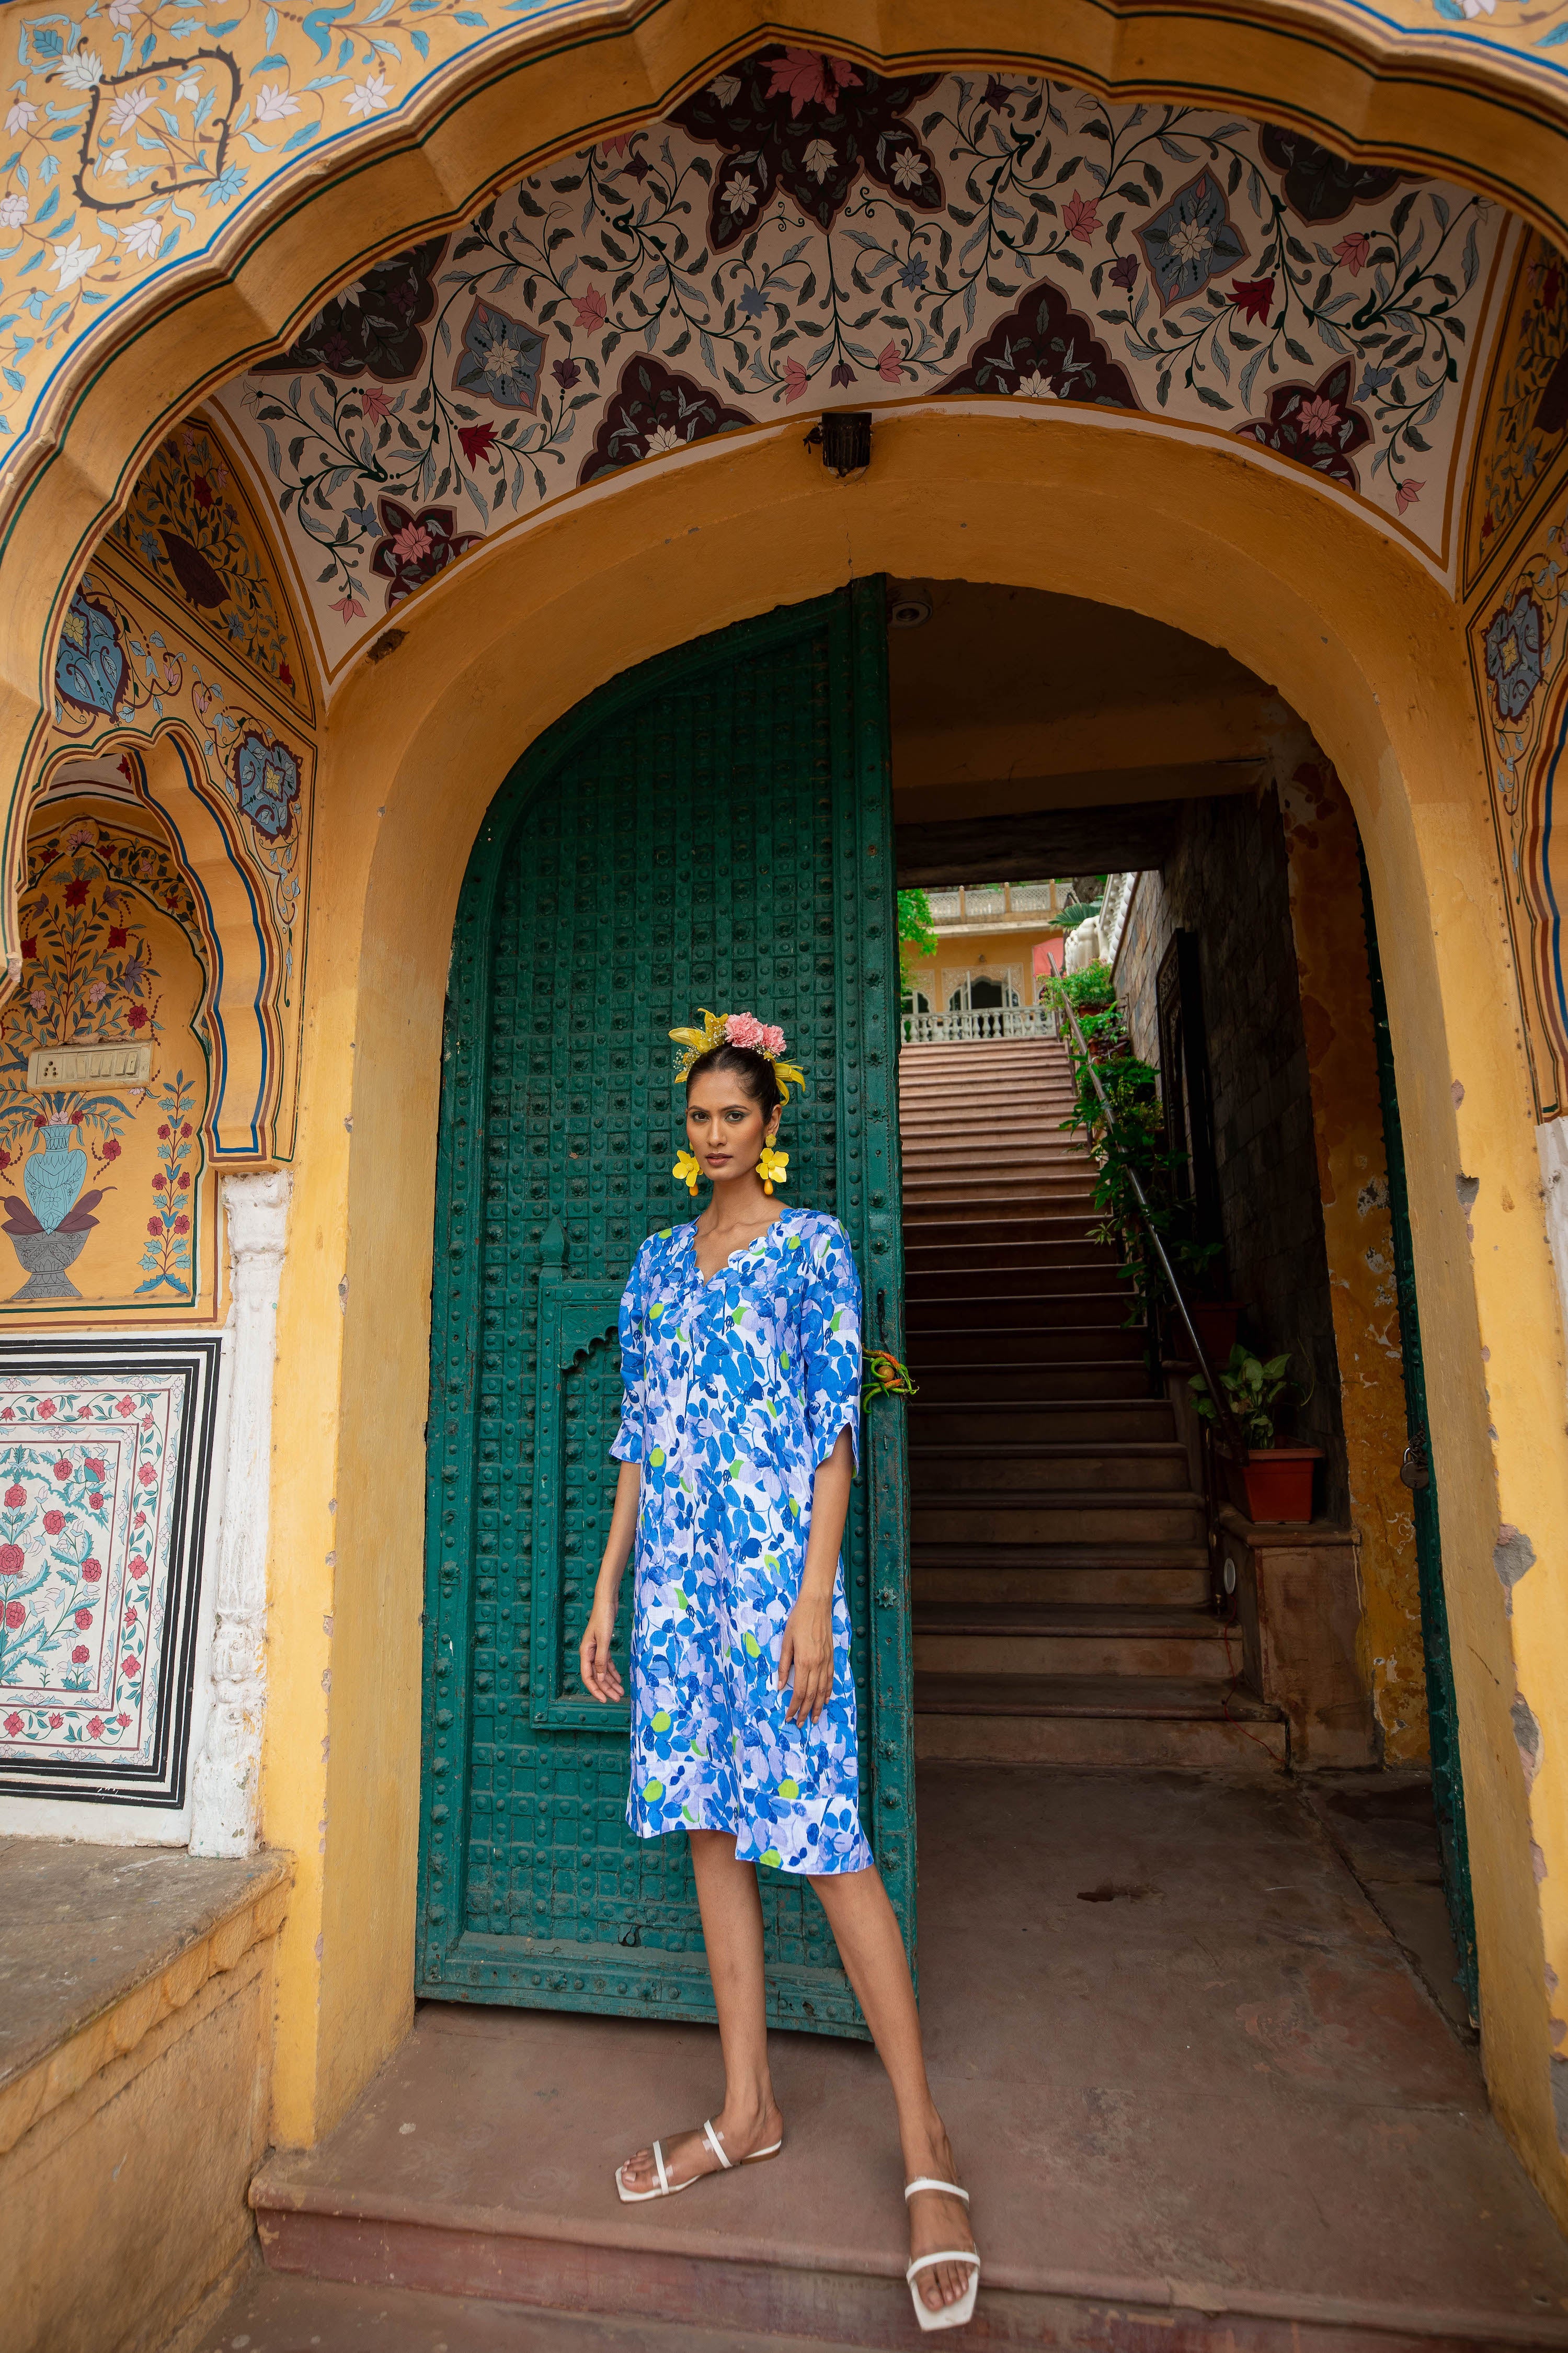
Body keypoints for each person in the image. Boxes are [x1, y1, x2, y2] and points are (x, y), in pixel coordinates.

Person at [579, 1009, 980, 2333]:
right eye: (697, 1120)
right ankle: (747, 2111)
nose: (711, 1138)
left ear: (770, 1127)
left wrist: (815, 1601)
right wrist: (607, 1592)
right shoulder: (653, 1265)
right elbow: (640, 1436)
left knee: (828, 1846)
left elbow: (833, 1436)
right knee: (711, 1834)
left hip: (776, 1595)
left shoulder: (813, 1252)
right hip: (678, 1596)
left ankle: (927, 2149)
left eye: (733, 1118)